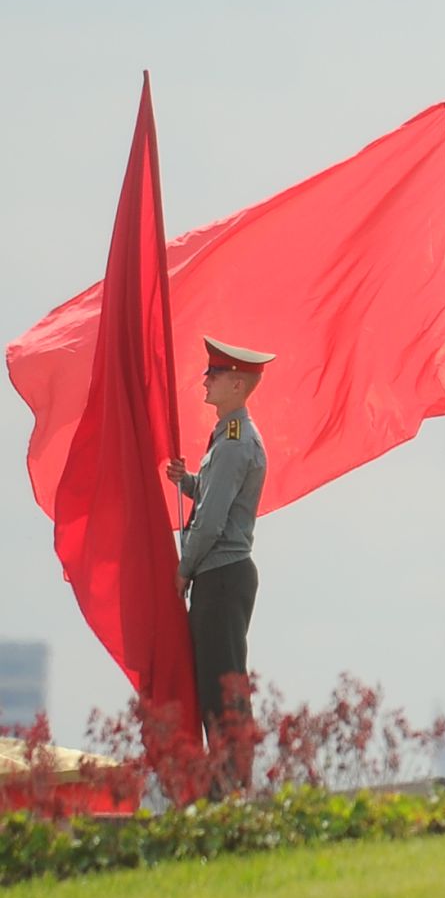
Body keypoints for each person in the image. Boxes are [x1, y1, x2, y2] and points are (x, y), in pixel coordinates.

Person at [166, 337, 272, 793]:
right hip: (222, 573)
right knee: (215, 680)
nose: (205, 381)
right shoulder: (227, 438)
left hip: (221, 573)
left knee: (224, 682)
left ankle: (232, 781)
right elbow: (215, 500)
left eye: (214, 375)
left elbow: (211, 521)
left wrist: (184, 568)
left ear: (236, 383)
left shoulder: (233, 440)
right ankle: (226, 778)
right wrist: (186, 481)